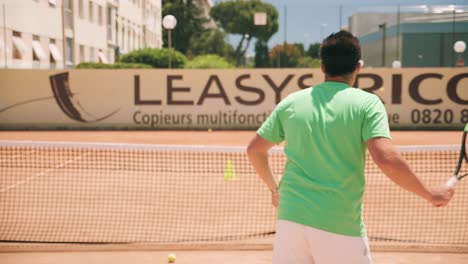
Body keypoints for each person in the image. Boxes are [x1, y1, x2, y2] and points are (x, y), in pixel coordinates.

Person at [246, 30, 454, 264]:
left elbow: (254, 150)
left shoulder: (292, 102)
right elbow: (385, 159)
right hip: (340, 226)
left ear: (322, 66)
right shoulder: (367, 103)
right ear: (358, 66)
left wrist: (276, 190)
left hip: (290, 223)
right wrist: (430, 193)